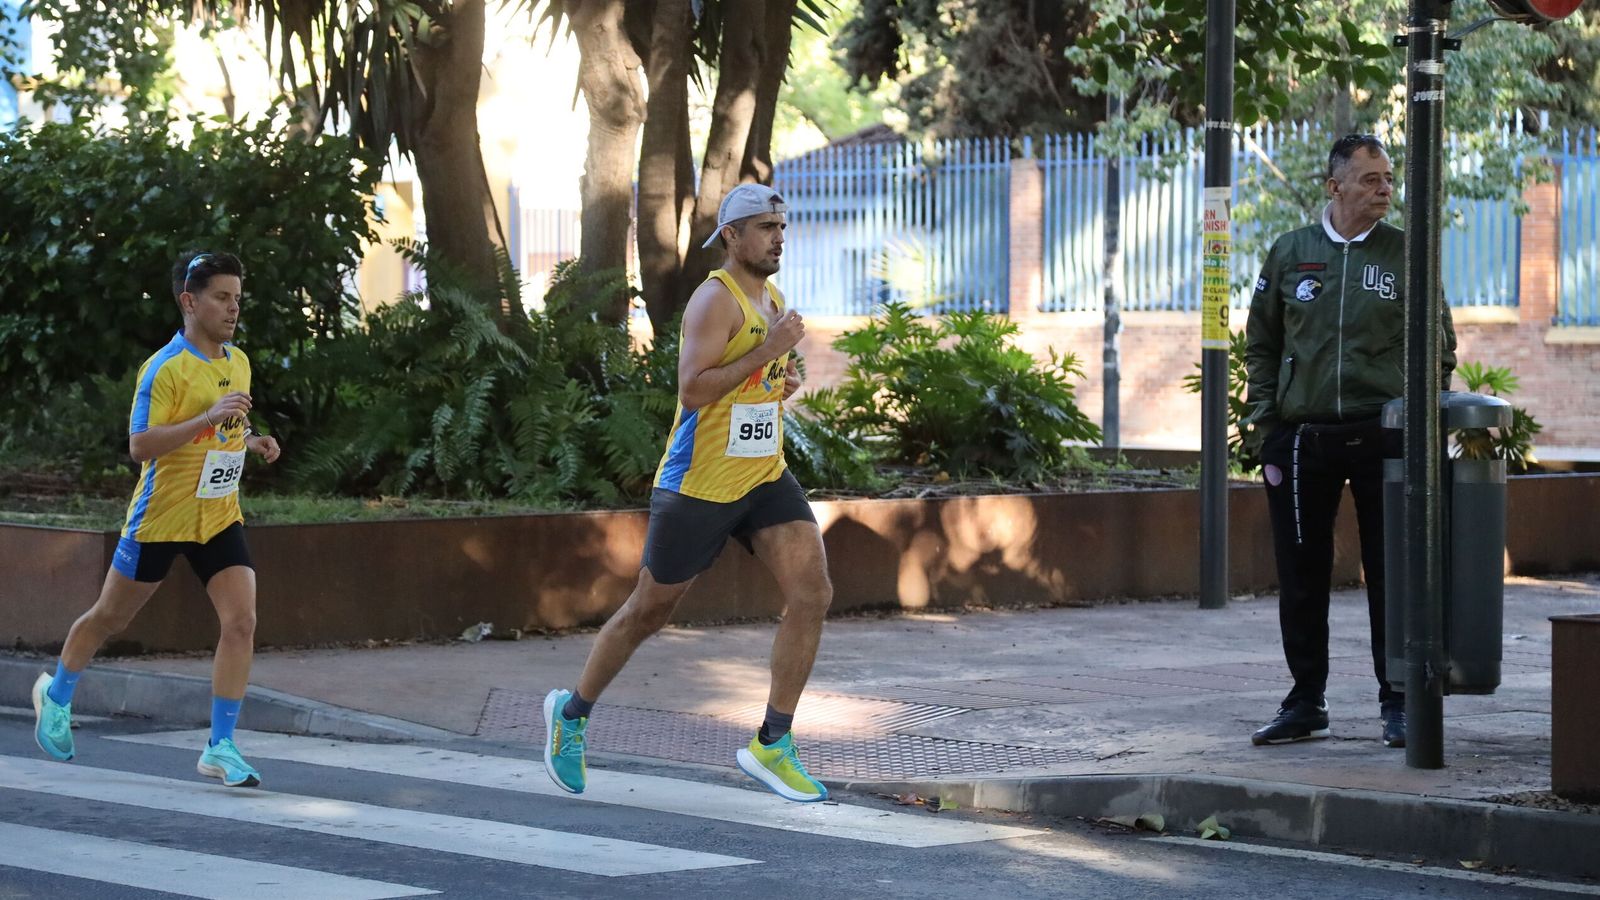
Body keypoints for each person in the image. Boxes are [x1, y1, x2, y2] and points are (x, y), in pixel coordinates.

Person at [543, 183, 834, 802]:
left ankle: (772, 743)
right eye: (764, 227)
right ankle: (570, 718)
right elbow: (694, 391)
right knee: (650, 609)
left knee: (812, 592)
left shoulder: (772, 297)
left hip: (763, 476)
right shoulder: (714, 299)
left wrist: (775, 380)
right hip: (699, 484)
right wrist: (771, 349)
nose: (778, 237)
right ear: (731, 236)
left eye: (781, 226)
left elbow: (752, 380)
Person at [31, 250, 282, 787]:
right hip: (160, 520)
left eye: (237, 298)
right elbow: (140, 445)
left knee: (241, 622)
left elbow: (228, 427)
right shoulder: (163, 368)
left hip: (217, 516)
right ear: (189, 301)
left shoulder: (237, 361)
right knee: (109, 618)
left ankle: (221, 746)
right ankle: (55, 694)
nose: (233, 308)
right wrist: (206, 419)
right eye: (221, 297)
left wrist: (251, 439)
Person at [1244, 134, 1456, 750]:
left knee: (1392, 574)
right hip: (1302, 440)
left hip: (1385, 437)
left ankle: (1398, 701)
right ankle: (1305, 699)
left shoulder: (1406, 253)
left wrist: (1417, 415)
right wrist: (1268, 425)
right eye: (1370, 179)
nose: (1385, 188)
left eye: (1388, 178)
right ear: (1335, 186)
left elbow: (1440, 347)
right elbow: (1261, 342)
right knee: (1301, 573)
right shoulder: (1291, 252)